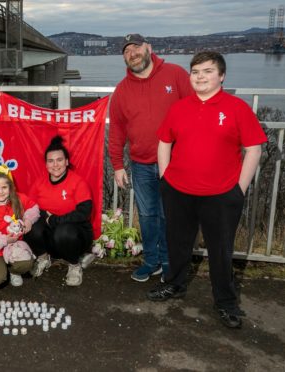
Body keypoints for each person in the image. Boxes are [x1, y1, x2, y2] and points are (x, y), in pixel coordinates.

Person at [147, 51, 267, 329]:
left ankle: (225, 301)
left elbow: (254, 149)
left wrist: (239, 189)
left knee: (221, 250)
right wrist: (166, 179)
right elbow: (164, 141)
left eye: (207, 71)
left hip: (221, 194)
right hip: (178, 190)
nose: (200, 76)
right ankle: (174, 284)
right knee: (177, 244)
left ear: (221, 76)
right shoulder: (179, 107)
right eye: (195, 71)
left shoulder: (237, 108)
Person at [108, 33, 193, 282]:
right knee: (147, 216)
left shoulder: (175, 74)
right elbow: (117, 131)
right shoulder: (122, 90)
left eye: (136, 47)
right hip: (141, 164)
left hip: (176, 163)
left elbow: (195, 110)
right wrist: (117, 165)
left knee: (170, 216)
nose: (132, 53)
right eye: (126, 51)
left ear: (149, 48)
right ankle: (151, 261)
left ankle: (169, 262)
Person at [25, 136, 93, 287]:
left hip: (75, 235)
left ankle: (74, 265)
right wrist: (44, 216)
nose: (55, 164)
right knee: (29, 225)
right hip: (52, 236)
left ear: (67, 162)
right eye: (50, 161)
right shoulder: (39, 183)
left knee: (63, 232)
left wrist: (55, 220)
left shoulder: (78, 182)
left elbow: (84, 213)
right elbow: (29, 208)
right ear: (46, 164)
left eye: (59, 160)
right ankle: (43, 258)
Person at [0, 167, 39, 287]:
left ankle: (14, 271)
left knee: (26, 263)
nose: (0, 192)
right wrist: (4, 240)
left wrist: (28, 220)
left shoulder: (18, 199)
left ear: (10, 188)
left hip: (13, 245)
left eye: (4, 187)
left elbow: (33, 207)